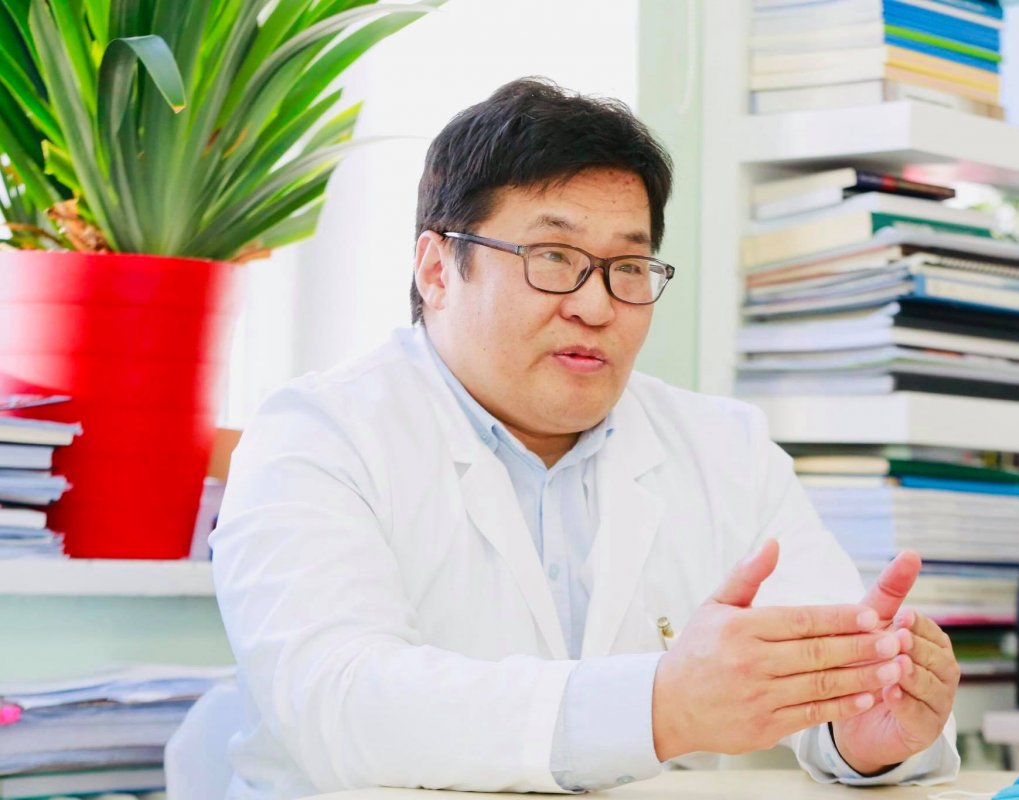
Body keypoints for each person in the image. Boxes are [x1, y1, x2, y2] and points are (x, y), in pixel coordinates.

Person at [209, 77, 960, 800]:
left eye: (628, 267)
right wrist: (657, 706)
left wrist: (863, 731)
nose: (597, 306)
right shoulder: (316, 436)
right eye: (554, 258)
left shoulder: (726, 449)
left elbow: (834, 670)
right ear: (437, 270)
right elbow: (342, 704)